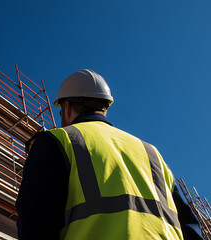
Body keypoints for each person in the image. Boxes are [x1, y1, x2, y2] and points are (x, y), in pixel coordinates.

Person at [15, 69, 204, 240]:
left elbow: (36, 222)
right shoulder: (152, 153)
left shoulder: (57, 141)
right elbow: (190, 227)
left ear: (66, 107)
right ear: (105, 107)